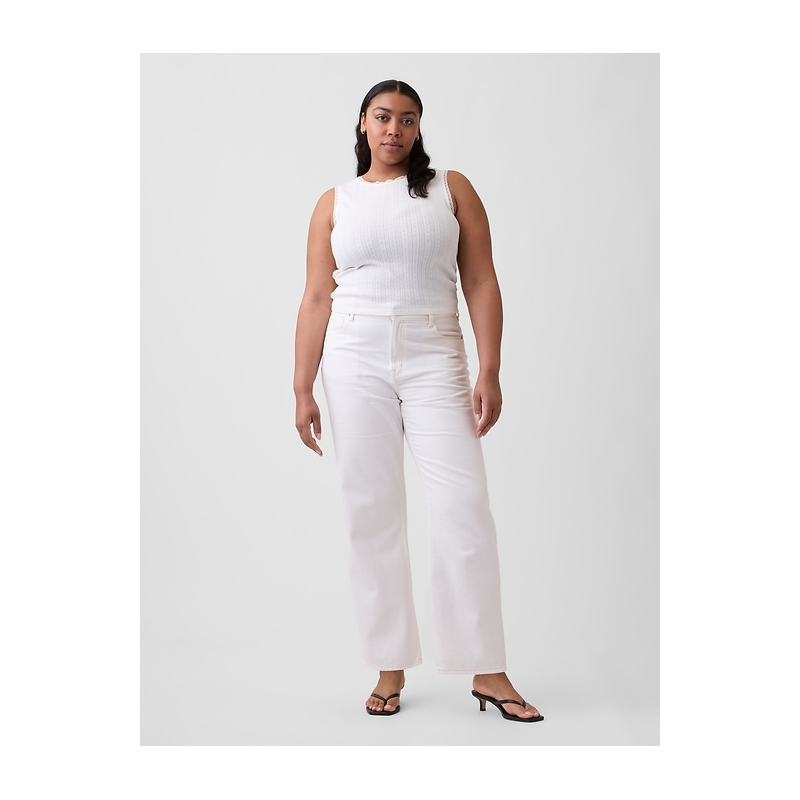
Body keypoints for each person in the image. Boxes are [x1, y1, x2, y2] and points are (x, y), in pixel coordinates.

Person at [293, 79, 543, 722]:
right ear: (362, 123)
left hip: (436, 350)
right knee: (370, 508)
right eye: (383, 117)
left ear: (419, 127)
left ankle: (487, 667)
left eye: (407, 119)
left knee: (463, 506)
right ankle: (388, 664)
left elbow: (481, 279)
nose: (394, 129)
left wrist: (490, 368)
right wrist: (301, 386)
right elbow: (317, 297)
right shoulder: (335, 202)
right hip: (353, 354)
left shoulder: (450, 190)